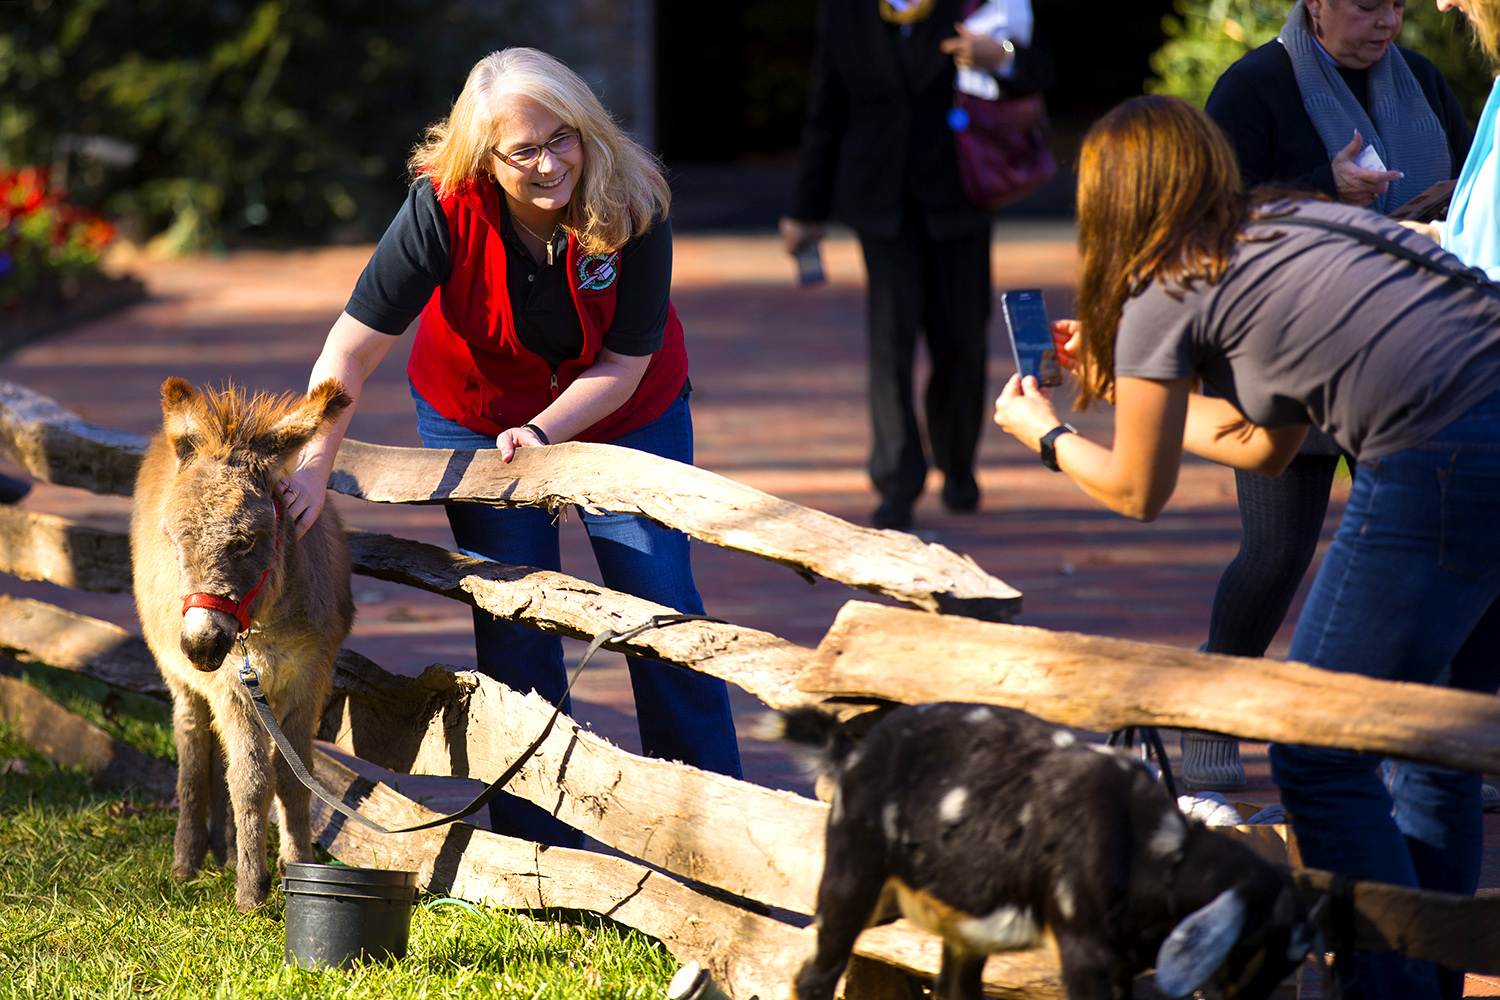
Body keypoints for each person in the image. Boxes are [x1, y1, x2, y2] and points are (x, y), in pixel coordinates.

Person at [992, 94, 1500, 1000]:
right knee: (1434, 739)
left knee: (1316, 747)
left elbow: (1135, 492)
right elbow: (1264, 443)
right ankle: (1428, 978)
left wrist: (1045, 432)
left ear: (1108, 204)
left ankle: (1391, 988)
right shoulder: (1292, 222)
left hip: (1441, 452)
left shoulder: (1160, 282)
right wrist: (1126, 384)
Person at [280, 47, 742, 847]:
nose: (547, 163)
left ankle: (710, 831)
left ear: (585, 129)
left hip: (625, 409)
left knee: (657, 604)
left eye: (560, 138)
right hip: (476, 410)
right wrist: (313, 459)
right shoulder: (441, 207)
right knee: (516, 619)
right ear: (483, 155)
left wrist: (544, 433)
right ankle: (539, 844)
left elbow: (626, 363)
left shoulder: (633, 197)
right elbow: (349, 350)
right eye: (521, 150)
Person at [1181, 0, 1471, 791]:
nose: (1385, 22)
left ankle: (1434, 746)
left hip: (1406, 351)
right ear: (1315, 3)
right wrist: (1324, 188)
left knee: (1428, 550)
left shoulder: (1422, 82)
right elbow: (1215, 224)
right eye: (1365, 5)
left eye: (1396, 6)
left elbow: (1471, 193)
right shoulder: (1254, 85)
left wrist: (1442, 206)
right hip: (1287, 353)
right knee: (1277, 553)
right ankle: (1206, 721)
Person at [780, 0, 1053, 530]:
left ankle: (956, 463)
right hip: (881, 201)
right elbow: (826, 108)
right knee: (891, 342)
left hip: (962, 194)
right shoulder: (846, 12)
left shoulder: (972, 6)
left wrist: (1001, 56)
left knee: (960, 340)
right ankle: (896, 479)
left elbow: (1041, 70)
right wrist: (804, 210)